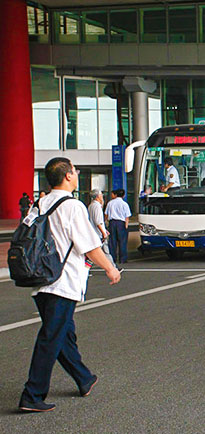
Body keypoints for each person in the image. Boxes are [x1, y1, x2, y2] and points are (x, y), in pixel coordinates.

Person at [18, 157, 121, 413]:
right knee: (51, 337)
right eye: (74, 171)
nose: (76, 174)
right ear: (67, 176)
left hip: (40, 280)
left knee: (64, 334)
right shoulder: (73, 206)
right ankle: (32, 394)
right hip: (61, 283)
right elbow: (88, 245)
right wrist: (109, 268)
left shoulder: (39, 203)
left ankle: (84, 378)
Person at [87, 189, 115, 269]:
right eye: (101, 195)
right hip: (98, 233)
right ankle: (112, 268)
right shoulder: (97, 206)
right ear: (98, 196)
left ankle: (112, 267)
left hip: (95, 232)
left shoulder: (91, 205)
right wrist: (103, 233)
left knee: (100, 252)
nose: (102, 196)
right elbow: (98, 221)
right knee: (104, 252)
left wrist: (104, 230)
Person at [105, 189, 131, 265]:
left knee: (112, 242)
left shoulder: (110, 203)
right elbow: (127, 216)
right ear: (123, 195)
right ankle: (123, 259)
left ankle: (113, 258)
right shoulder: (124, 204)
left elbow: (106, 214)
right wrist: (126, 225)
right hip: (121, 223)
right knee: (122, 241)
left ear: (116, 195)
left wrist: (106, 222)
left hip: (112, 223)